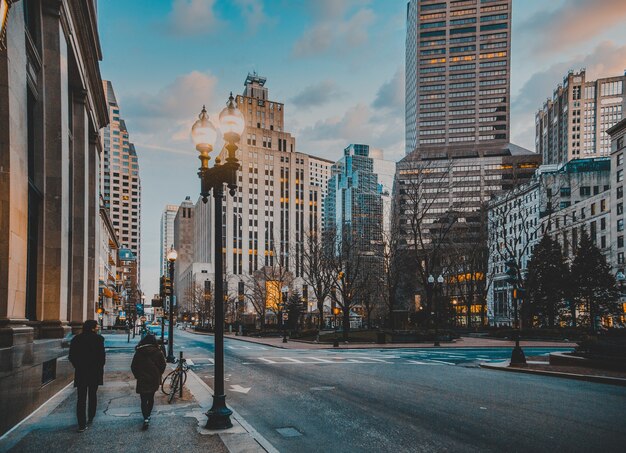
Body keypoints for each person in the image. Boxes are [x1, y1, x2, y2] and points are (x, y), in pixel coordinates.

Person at [68, 319, 106, 432]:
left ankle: (81, 424)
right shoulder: (98, 339)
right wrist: (99, 368)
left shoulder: (76, 339)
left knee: (81, 398)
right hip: (94, 372)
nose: (98, 328)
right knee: (93, 395)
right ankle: (91, 417)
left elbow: (72, 356)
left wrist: (78, 366)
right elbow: (101, 357)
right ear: (92, 328)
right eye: (96, 326)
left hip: (81, 372)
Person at [131, 334, 166, 430]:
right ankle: (148, 416)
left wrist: (138, 376)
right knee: (151, 398)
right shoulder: (158, 352)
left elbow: (133, 366)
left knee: (143, 399)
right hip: (154, 378)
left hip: (142, 378)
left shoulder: (139, 351)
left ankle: (145, 418)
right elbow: (163, 365)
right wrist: (158, 373)